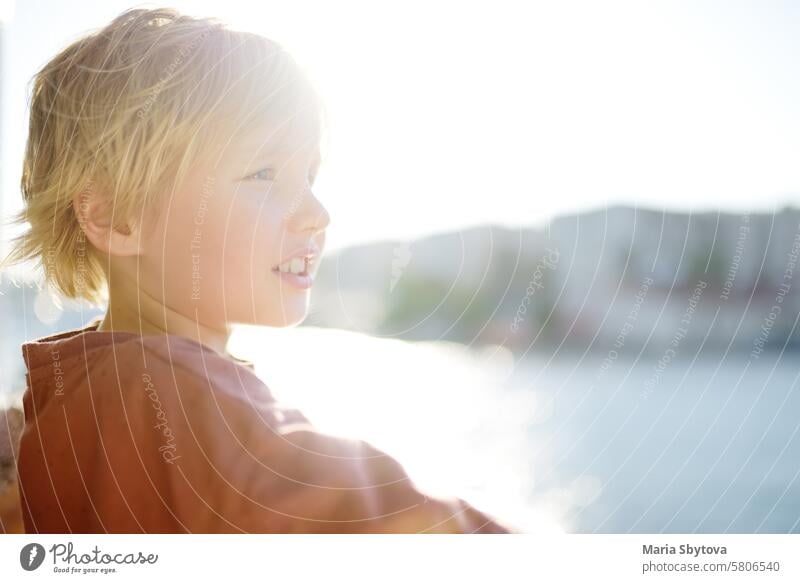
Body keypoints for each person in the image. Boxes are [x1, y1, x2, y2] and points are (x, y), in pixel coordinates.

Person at [2, 7, 516, 534]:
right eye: (263, 173)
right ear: (114, 214)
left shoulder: (78, 393)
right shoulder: (174, 395)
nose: (318, 214)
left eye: (309, 174)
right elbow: (402, 524)